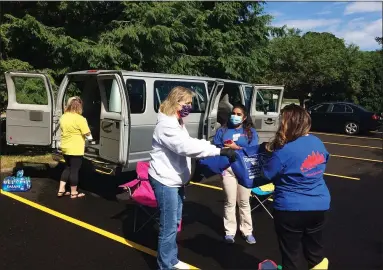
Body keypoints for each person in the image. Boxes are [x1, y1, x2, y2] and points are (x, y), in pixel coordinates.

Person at [148, 86, 236, 270]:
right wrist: (219, 151)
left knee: (175, 221)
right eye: (187, 103)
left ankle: (171, 259)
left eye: (190, 103)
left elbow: (190, 142)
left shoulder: (177, 122)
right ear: (176, 101)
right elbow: (185, 147)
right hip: (165, 181)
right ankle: (165, 265)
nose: (189, 106)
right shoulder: (166, 125)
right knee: (169, 226)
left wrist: (211, 145)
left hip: (175, 179)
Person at [261, 104, 330, 270]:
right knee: (315, 252)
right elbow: (324, 160)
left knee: (291, 255)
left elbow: (267, 174)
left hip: (290, 208)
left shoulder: (284, 150)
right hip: (318, 205)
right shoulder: (317, 141)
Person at [213, 104, 259, 244]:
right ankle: (230, 232)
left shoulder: (250, 132)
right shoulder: (223, 130)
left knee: (244, 202)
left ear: (244, 117)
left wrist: (236, 147)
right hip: (228, 170)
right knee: (230, 201)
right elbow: (215, 148)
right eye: (233, 113)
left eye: (239, 114)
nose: (235, 116)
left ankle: (247, 231)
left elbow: (254, 151)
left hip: (245, 171)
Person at [57, 96, 92, 199]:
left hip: (65, 148)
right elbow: (87, 133)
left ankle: (61, 190)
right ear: (79, 107)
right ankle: (74, 192)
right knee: (74, 170)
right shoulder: (80, 119)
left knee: (67, 168)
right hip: (76, 149)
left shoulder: (63, 117)